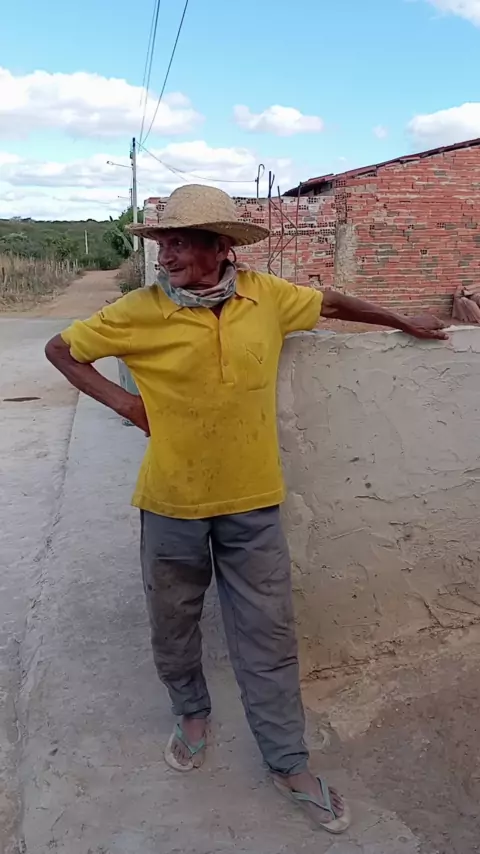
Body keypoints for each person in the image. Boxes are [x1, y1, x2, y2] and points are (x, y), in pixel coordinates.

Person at [45, 184, 447, 834]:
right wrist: (127, 406)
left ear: (220, 247)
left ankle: (288, 763)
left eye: (180, 243)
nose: (167, 256)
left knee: (269, 635)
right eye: (163, 243)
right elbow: (61, 350)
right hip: (171, 501)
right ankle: (191, 712)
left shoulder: (267, 297)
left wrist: (405, 321)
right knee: (174, 622)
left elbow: (333, 301)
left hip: (253, 501)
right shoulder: (137, 310)